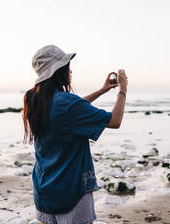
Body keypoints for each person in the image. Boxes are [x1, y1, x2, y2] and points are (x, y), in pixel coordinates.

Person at [22, 45, 128, 224]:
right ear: (58, 72)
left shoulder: (33, 99)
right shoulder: (66, 103)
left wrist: (102, 91)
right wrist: (122, 89)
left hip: (44, 191)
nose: (70, 70)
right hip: (71, 191)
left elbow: (71, 110)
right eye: (66, 66)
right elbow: (115, 121)